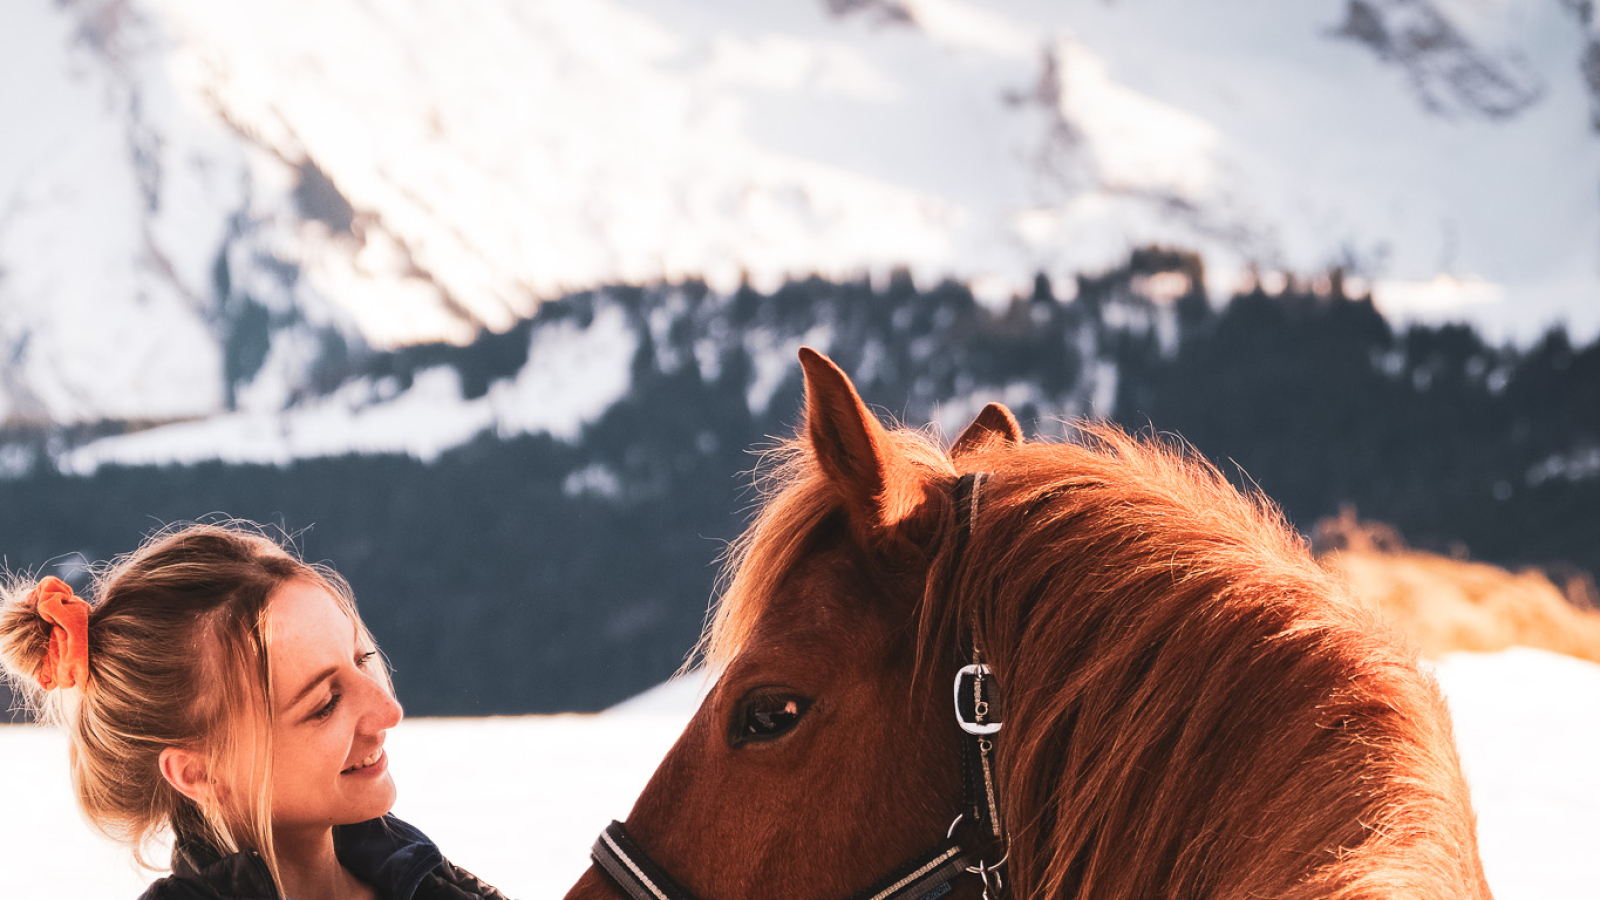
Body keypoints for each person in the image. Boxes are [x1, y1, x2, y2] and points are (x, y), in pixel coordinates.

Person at [0, 521, 510, 900]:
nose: (388, 710)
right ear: (198, 771)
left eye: (362, 660)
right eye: (325, 704)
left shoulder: (421, 878)